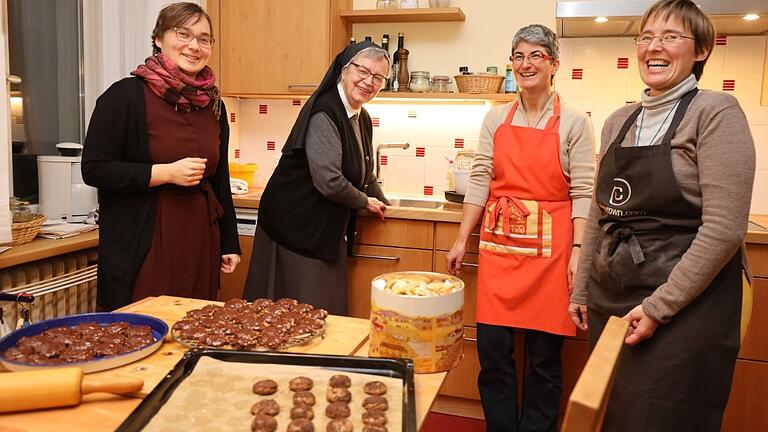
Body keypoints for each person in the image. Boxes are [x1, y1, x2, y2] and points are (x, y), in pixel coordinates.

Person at [568, 0, 756, 430]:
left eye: (671, 36)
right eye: (647, 37)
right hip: (613, 298)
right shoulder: (619, 120)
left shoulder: (715, 111)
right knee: (615, 414)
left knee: (661, 417)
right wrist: (581, 291)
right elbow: (602, 214)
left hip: (686, 307)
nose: (655, 46)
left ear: (701, 50)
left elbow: (725, 230)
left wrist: (658, 308)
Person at [446, 25, 595, 432]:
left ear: (554, 65)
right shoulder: (495, 118)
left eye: (536, 56)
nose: (526, 64)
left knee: (545, 361)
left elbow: (584, 192)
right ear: (512, 64)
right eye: (519, 56)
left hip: (552, 254)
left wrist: (578, 252)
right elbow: (480, 179)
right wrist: (462, 238)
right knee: (494, 356)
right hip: (499, 246)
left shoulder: (575, 122)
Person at [82, 2, 240, 310]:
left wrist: (229, 242)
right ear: (159, 38)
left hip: (200, 240)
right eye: (183, 34)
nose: (194, 46)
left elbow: (220, 179)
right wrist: (164, 173)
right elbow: (95, 169)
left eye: (204, 38)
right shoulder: (124, 96)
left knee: (196, 326)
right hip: (146, 244)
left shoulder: (213, 106)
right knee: (142, 328)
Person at [243, 41, 390, 315]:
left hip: (320, 227)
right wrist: (363, 202)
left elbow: (365, 171)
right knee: (293, 313)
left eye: (378, 77)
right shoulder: (326, 112)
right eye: (363, 71)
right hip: (294, 226)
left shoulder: (361, 116)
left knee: (320, 311)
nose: (369, 81)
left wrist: (385, 202)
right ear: (344, 70)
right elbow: (329, 180)